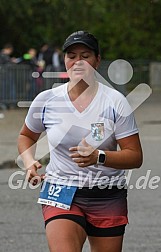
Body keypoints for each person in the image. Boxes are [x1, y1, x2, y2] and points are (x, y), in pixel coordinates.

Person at [17, 30, 143, 252]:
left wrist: (99, 157)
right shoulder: (47, 100)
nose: (78, 62)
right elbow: (26, 135)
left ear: (97, 60)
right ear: (64, 60)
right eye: (71, 56)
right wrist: (29, 162)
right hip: (61, 190)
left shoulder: (115, 102)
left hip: (107, 193)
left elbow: (135, 156)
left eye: (85, 55)